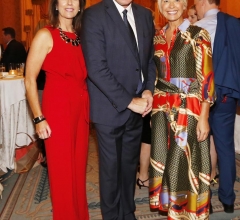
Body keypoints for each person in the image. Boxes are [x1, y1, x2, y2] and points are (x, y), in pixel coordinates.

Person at [81, 0, 156, 219]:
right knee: (111, 172)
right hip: (109, 108)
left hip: (138, 109)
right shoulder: (94, 15)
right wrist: (129, 101)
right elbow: (96, 67)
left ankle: (128, 212)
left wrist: (148, 91)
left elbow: (149, 61)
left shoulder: (143, 14)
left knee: (128, 167)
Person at [149, 0, 215, 218]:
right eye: (165, 1)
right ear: (159, 6)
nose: (171, 5)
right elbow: (156, 76)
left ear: (185, 4)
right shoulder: (157, 37)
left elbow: (206, 79)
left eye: (176, 0)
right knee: (165, 162)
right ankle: (173, 211)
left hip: (188, 108)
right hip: (160, 110)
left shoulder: (198, 34)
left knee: (182, 161)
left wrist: (204, 116)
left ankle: (184, 213)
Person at [24, 0, 89, 219]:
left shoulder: (82, 37)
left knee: (78, 172)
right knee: (62, 174)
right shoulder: (46, 34)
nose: (69, 3)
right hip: (58, 109)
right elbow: (29, 80)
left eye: (75, 0)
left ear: (80, 6)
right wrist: (38, 118)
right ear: (56, 5)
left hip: (81, 110)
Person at [194, 0, 240, 213]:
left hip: (200, 96)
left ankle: (205, 200)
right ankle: (228, 200)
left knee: (200, 147)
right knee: (225, 147)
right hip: (227, 95)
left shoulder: (197, 27)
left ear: (203, 2)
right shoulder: (235, 23)